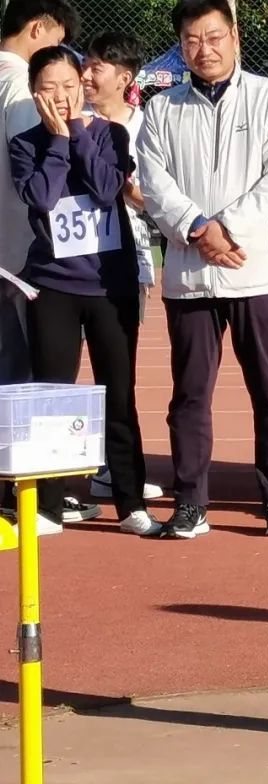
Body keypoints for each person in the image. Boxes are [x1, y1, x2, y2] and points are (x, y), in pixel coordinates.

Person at [138, 0, 268, 538]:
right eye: (192, 39)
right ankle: (190, 503)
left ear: (235, 37)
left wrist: (226, 228)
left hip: (256, 271)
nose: (203, 49)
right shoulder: (162, 108)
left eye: (213, 37)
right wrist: (195, 227)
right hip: (189, 278)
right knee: (189, 396)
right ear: (180, 45)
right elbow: (154, 181)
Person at [9, 46, 159, 536]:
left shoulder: (111, 134)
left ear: (82, 85)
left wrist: (76, 130)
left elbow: (104, 188)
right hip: (53, 287)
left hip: (109, 287)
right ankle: (48, 506)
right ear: (34, 93)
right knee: (52, 394)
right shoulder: (25, 144)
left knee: (119, 393)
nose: (60, 96)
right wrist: (56, 140)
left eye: (69, 86)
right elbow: (42, 197)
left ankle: (131, 503)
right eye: (48, 88)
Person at [0, 0, 94, 536]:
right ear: (39, 28)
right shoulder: (21, 90)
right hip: (21, 258)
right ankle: (25, 493)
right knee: (24, 381)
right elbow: (39, 181)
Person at [81, 30, 166, 504]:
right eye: (86, 64)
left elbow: (155, 198)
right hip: (70, 264)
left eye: (97, 66)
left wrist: (124, 188)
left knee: (118, 372)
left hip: (128, 260)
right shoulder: (72, 119)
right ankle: (68, 471)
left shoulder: (148, 127)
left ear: (125, 77)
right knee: (60, 370)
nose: (86, 74)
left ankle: (114, 470)